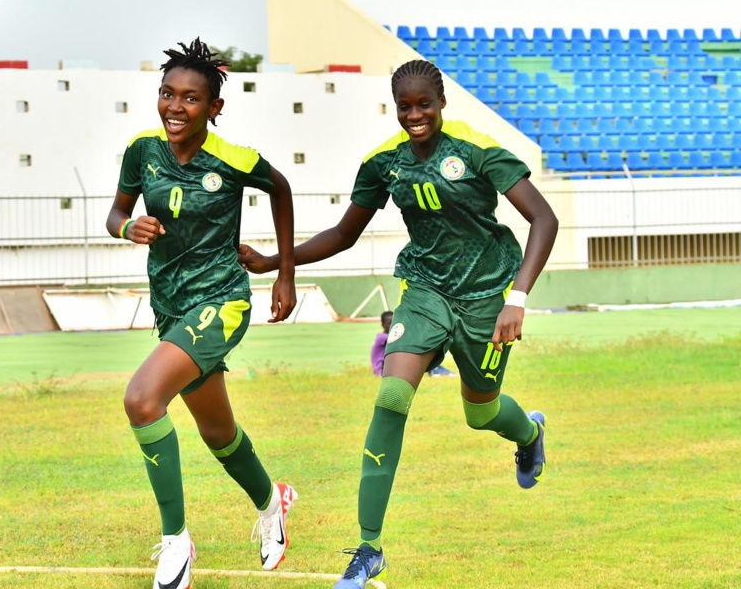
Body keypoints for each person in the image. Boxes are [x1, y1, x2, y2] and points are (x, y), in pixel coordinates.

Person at [240, 59, 558, 588]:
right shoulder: (384, 163)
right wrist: (277, 262)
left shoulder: (476, 150)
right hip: (425, 292)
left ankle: (529, 433)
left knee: (481, 415)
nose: (415, 115)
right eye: (405, 107)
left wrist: (516, 298)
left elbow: (543, 219)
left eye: (424, 105)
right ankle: (368, 550)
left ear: (441, 104)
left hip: (486, 296)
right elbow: (344, 234)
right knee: (391, 398)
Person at [106, 38, 299, 589]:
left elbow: (281, 190)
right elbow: (117, 211)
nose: (174, 107)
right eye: (167, 94)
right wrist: (127, 227)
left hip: (222, 300)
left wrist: (283, 271)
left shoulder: (234, 161)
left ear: (214, 108)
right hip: (170, 305)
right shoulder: (142, 150)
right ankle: (271, 504)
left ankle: (177, 543)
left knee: (142, 399)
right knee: (218, 431)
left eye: (191, 99)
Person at [371, 311, 394, 376]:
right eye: (390, 323)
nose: (392, 325)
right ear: (383, 325)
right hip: (380, 370)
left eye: (394, 322)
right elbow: (397, 339)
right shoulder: (382, 337)